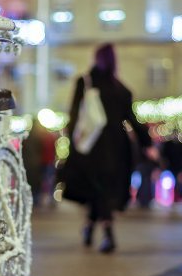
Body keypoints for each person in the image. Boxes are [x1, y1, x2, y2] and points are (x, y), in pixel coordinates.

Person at [59, 43, 157, 253]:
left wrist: (72, 141)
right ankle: (98, 229)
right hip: (116, 147)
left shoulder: (85, 83)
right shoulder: (120, 89)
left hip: (90, 147)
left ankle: (100, 231)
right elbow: (132, 119)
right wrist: (147, 143)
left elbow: (74, 115)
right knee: (103, 190)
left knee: (98, 189)